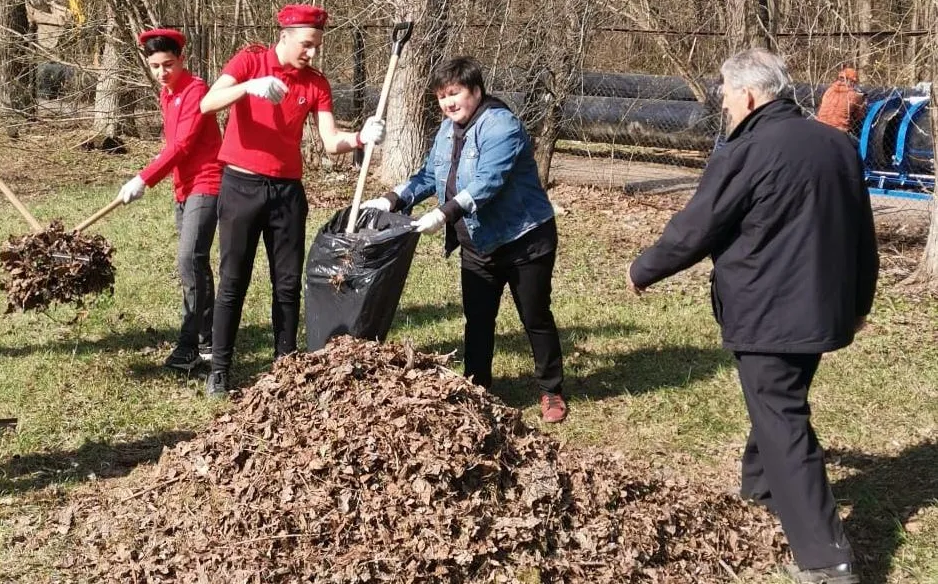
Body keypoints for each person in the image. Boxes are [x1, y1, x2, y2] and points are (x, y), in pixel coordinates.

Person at [627, 48, 878, 584]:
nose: (720, 98)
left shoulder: (746, 150)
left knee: (784, 422)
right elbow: (863, 236)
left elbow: (698, 227)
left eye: (724, 89)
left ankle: (826, 560)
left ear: (747, 94)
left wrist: (644, 269)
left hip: (769, 313)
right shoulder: (836, 145)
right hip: (821, 309)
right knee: (779, 403)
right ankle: (761, 494)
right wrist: (859, 304)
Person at [362, 57, 568, 423]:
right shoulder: (446, 130)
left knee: (535, 316)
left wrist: (444, 214)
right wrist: (392, 198)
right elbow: (429, 175)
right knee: (478, 318)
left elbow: (487, 183)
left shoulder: (502, 127)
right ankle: (478, 388)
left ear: (475, 90)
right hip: (478, 244)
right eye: (442, 96)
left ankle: (551, 390)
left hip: (524, 241)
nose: (448, 103)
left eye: (454, 93)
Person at [198, 4, 384, 398]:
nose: (312, 53)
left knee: (287, 284)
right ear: (284, 36)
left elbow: (332, 142)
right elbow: (208, 102)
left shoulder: (316, 83)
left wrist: (361, 137)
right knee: (234, 280)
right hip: (241, 188)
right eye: (306, 45)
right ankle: (220, 368)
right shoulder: (250, 60)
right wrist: (249, 86)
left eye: (317, 46)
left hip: (286, 193)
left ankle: (285, 365)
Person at [117, 28, 223, 372]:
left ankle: (188, 343)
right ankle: (209, 337)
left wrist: (143, 178)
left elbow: (183, 146)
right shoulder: (168, 94)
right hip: (183, 187)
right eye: (155, 66)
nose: (162, 73)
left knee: (188, 259)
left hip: (207, 183)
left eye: (169, 64)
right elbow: (173, 149)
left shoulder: (196, 91)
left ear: (182, 60)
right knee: (197, 263)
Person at [816, 65, 867, 137]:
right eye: (854, 82)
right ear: (851, 81)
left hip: (819, 127)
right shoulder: (852, 95)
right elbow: (859, 116)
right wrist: (863, 103)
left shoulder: (829, 91)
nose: (855, 85)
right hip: (838, 132)